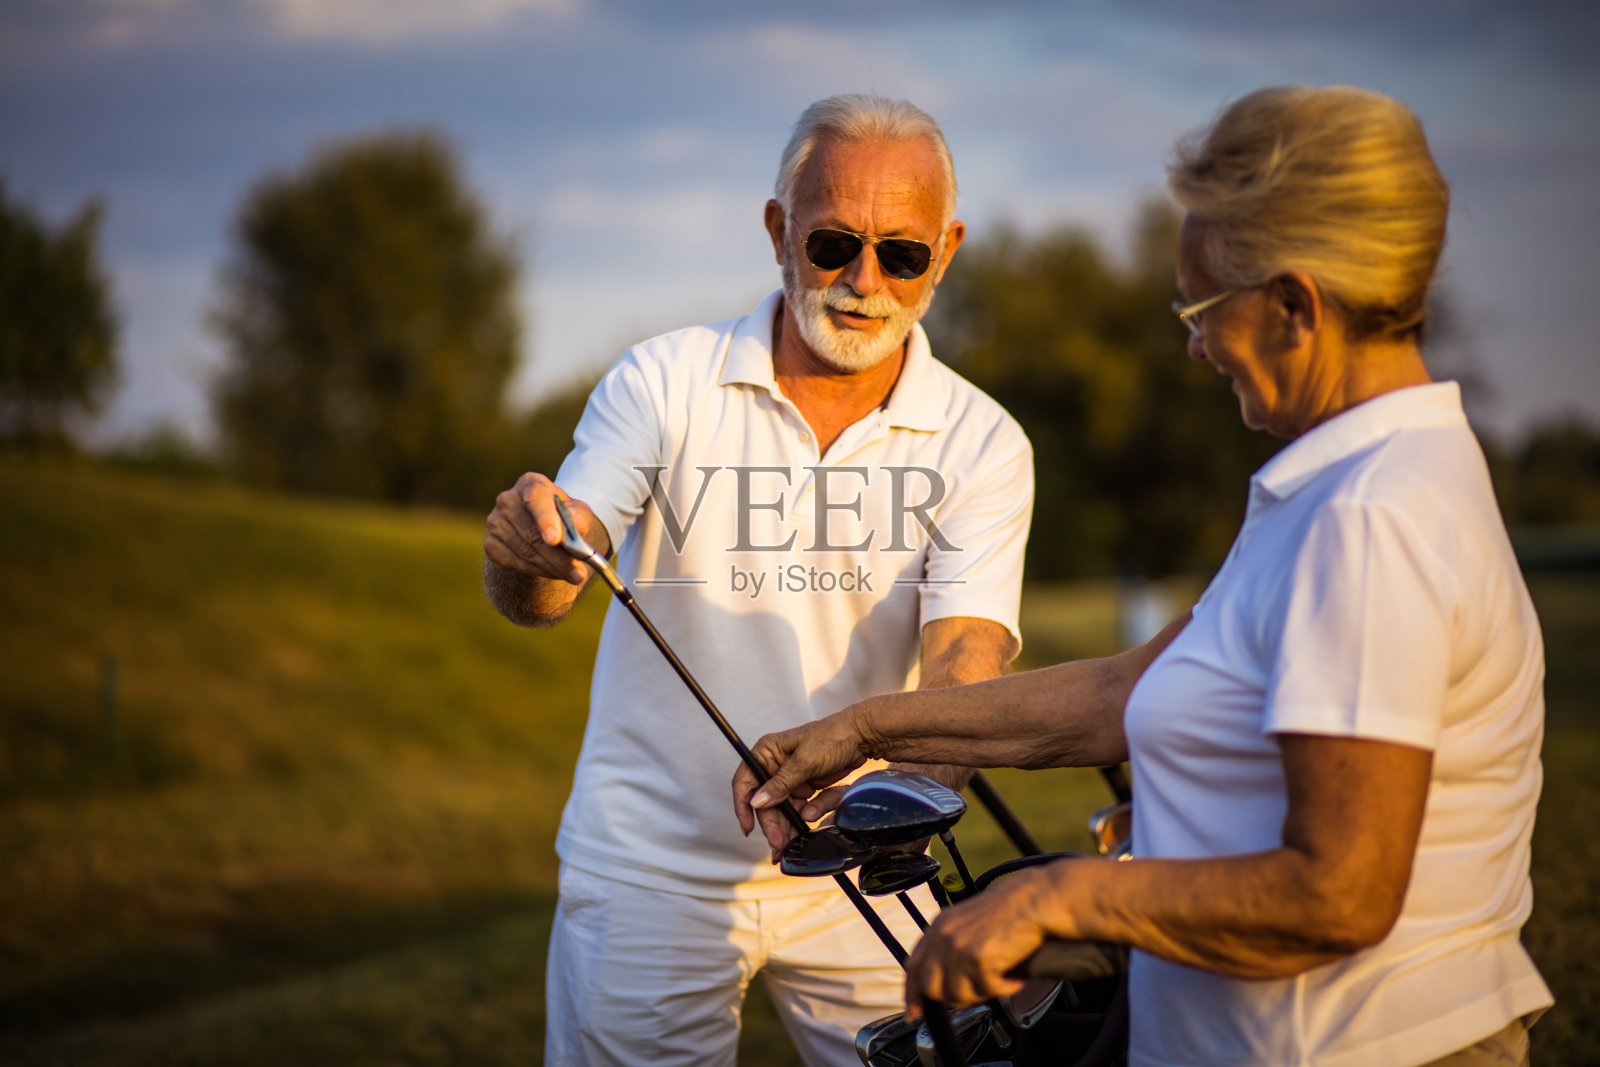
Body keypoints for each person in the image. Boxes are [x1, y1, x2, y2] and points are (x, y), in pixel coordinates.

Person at [735, 85, 1553, 1067]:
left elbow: (1338, 890)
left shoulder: (1369, 515)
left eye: (1203, 306)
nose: (1195, 343)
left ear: (1293, 306)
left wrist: (1058, 896)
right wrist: (864, 728)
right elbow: (1126, 692)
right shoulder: (1350, 479)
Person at [483, 94, 1033, 1066]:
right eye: (832, 243)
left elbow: (965, 672)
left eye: (901, 254)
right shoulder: (662, 379)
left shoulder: (984, 440)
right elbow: (558, 575)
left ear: (943, 252)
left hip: (871, 864)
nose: (865, 281)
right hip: (650, 871)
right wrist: (526, 556)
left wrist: (885, 804)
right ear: (779, 229)